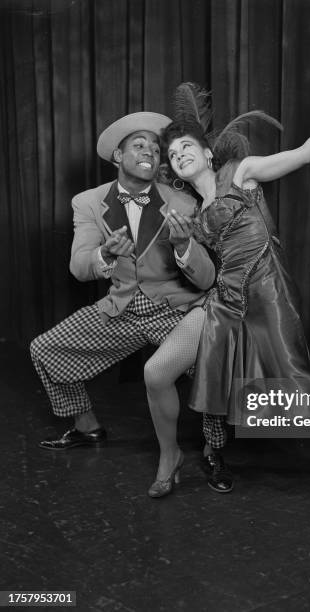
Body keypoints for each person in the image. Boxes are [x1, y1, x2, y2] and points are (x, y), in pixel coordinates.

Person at [148, 64, 310, 504]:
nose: (179, 154)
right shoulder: (194, 216)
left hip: (268, 294)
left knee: (296, 386)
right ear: (175, 170)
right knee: (206, 379)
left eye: (187, 146)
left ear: (206, 152)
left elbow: (305, 153)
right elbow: (204, 276)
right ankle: (202, 452)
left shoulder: (240, 173)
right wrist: (183, 244)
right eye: (173, 153)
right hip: (225, 304)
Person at [30, 111, 229, 494]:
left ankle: (212, 450)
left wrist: (185, 245)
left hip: (175, 309)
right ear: (118, 157)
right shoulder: (88, 202)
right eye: (140, 145)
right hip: (122, 307)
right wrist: (104, 254)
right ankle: (86, 426)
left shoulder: (182, 203)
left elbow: (206, 280)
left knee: (210, 368)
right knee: (44, 348)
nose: (151, 153)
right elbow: (78, 267)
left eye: (156, 149)